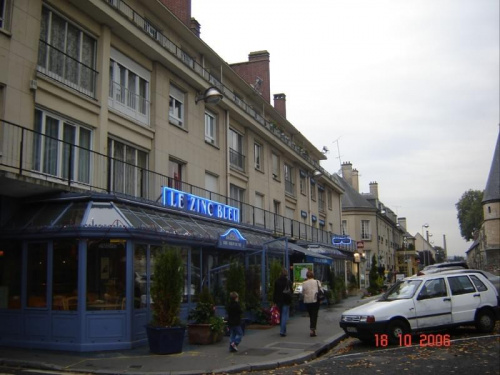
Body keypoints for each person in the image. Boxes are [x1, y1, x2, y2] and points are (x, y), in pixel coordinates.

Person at [273, 267, 293, 337]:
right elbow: (291, 291)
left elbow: (275, 292)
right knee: (284, 315)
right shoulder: (288, 281)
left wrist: (274, 300)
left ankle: (283, 330)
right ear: (286, 274)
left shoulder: (277, 281)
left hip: (279, 300)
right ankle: (282, 331)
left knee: (281, 315)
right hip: (286, 300)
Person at [301, 270, 321, 337]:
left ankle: (312, 329)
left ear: (307, 276)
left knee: (310, 314)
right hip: (315, 300)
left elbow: (302, 292)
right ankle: (312, 330)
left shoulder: (304, 283)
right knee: (314, 315)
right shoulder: (317, 281)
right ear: (313, 275)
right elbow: (320, 290)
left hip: (307, 300)